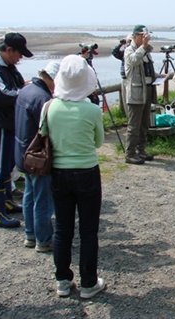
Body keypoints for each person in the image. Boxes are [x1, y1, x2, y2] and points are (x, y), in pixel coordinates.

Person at [45, 55, 105, 299]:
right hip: (87, 171)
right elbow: (99, 141)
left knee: (62, 228)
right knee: (89, 231)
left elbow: (44, 136)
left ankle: (62, 280)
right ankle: (89, 283)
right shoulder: (91, 110)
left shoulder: (50, 107)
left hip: (59, 172)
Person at [0, 32, 33, 228]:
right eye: (19, 54)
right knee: (0, 167)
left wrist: (24, 86)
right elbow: (2, 95)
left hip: (10, 122)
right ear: (8, 50)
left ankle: (7, 202)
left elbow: (15, 86)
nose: (20, 59)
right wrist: (26, 93)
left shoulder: (7, 66)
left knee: (8, 164)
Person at [14, 60, 61, 253]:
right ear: (51, 78)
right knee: (43, 199)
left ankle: (30, 234)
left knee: (29, 195)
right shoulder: (42, 98)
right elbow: (50, 130)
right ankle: (43, 239)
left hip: (22, 153)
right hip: (38, 156)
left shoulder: (25, 91)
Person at [124, 25, 158, 165]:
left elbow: (147, 69)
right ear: (134, 36)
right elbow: (133, 61)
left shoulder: (146, 51)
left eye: (146, 35)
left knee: (145, 123)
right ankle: (130, 154)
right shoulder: (128, 50)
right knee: (134, 125)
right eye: (141, 35)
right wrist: (143, 46)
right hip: (136, 92)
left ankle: (141, 150)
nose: (144, 38)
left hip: (148, 89)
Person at [111, 35, 132, 117]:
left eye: (130, 41)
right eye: (128, 41)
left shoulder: (132, 51)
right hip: (125, 78)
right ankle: (128, 117)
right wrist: (121, 44)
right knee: (126, 101)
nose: (129, 43)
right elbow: (115, 52)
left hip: (132, 78)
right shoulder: (125, 51)